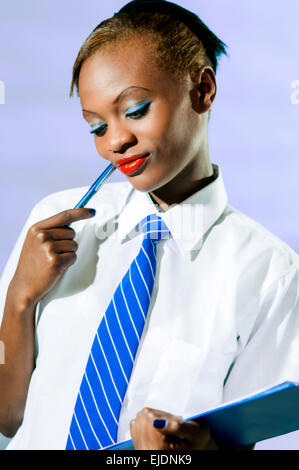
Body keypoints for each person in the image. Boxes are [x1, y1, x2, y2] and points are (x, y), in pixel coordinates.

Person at [0, 0, 298, 451]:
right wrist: (19, 300)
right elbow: (6, 418)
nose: (116, 141)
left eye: (136, 109)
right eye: (96, 127)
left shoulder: (270, 273)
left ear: (203, 89)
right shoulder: (57, 223)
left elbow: (240, 440)